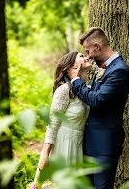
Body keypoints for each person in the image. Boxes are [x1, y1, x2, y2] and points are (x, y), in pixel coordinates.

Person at [68, 27, 129, 189]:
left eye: (88, 50)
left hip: (105, 145)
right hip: (90, 143)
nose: (87, 55)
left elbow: (97, 100)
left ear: (97, 46)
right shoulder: (104, 68)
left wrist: (75, 80)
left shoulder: (119, 70)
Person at [33, 51, 92, 185]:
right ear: (72, 66)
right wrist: (45, 155)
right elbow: (52, 124)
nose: (87, 57)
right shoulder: (64, 91)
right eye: (82, 56)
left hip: (79, 146)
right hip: (64, 146)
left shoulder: (87, 89)